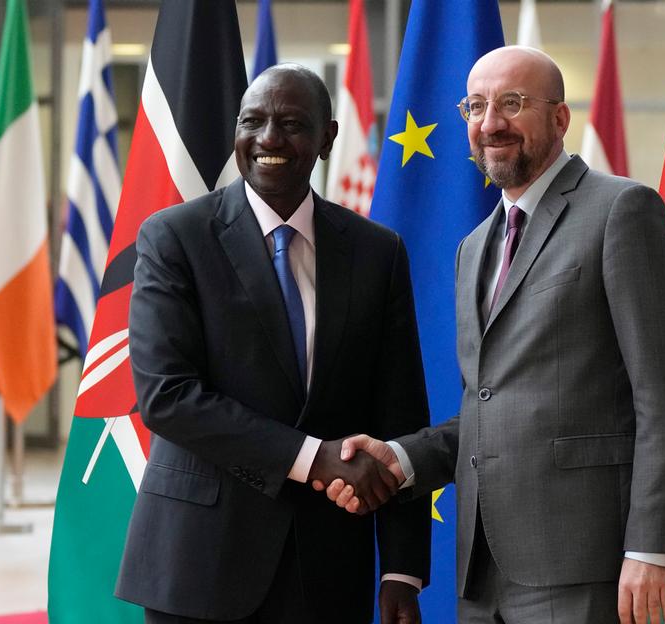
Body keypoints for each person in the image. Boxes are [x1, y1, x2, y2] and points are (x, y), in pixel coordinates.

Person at [327, 46, 665, 624]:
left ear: (559, 118)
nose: (490, 122)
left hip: (588, 563)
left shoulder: (623, 211)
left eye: (512, 103)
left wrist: (650, 547)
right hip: (481, 570)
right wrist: (400, 459)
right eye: (475, 106)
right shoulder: (474, 246)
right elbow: (489, 407)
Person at [115, 64, 430, 624]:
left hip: (329, 567)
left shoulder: (376, 252)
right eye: (252, 121)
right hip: (199, 562)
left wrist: (400, 568)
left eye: (290, 123)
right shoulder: (174, 237)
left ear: (328, 137)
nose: (268, 139)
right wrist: (313, 459)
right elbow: (167, 397)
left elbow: (399, 412)